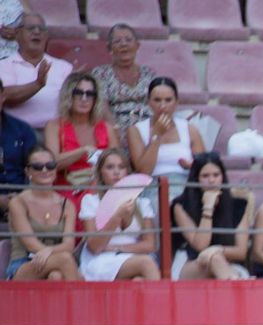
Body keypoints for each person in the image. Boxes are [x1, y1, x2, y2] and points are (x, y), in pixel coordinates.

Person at [171, 151, 255, 279]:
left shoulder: (237, 206)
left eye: (216, 175)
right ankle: (238, 288)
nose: (211, 180)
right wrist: (208, 208)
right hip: (190, 264)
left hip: (227, 263)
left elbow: (241, 252)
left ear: (223, 177)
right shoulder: (181, 205)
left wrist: (217, 250)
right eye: (205, 176)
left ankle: (233, 282)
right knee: (215, 259)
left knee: (216, 259)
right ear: (196, 178)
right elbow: (200, 245)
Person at [77, 147, 158, 281]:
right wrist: (116, 217)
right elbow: (95, 247)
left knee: (139, 280)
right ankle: (165, 302)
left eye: (121, 167)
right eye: (110, 167)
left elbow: (149, 245)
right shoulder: (91, 202)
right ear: (100, 172)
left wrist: (116, 248)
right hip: (100, 260)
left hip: (131, 257)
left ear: (127, 171)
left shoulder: (142, 203)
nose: (116, 172)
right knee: (146, 263)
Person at [44, 72, 119, 207]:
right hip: (66, 190)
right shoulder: (54, 126)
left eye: (90, 94)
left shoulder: (107, 128)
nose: (84, 99)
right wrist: (83, 151)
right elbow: (51, 163)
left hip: (100, 190)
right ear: (68, 95)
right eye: (78, 93)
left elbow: (118, 164)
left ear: (96, 99)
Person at [6, 144, 79, 279]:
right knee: (65, 259)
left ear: (56, 169)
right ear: (28, 172)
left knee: (56, 276)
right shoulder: (17, 202)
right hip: (23, 264)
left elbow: (69, 244)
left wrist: (49, 251)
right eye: (37, 167)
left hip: (56, 263)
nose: (45, 170)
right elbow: (30, 244)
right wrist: (52, 253)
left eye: (50, 165)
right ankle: (83, 300)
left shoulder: (67, 205)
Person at [126, 77, 204, 193]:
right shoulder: (136, 130)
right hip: (152, 186)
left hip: (185, 185)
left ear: (176, 102)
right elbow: (144, 172)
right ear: (149, 102)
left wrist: (191, 166)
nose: (162, 106)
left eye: (168, 100)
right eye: (157, 100)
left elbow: (205, 167)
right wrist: (156, 135)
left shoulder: (189, 129)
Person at [0, 12, 67, 130]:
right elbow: (4, 95)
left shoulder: (64, 67)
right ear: (17, 34)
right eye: (30, 28)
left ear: (47, 36)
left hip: (56, 133)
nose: (37, 32)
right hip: (16, 134)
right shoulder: (4, 66)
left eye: (41, 29)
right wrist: (37, 84)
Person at [89, 23, 153, 130]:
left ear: (137, 45)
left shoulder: (148, 73)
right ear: (109, 48)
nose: (124, 44)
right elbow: (102, 106)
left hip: (149, 126)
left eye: (128, 40)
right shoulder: (101, 74)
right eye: (117, 41)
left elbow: (157, 103)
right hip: (117, 127)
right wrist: (114, 129)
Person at [0, 72, 38, 214]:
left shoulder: (22, 129)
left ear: (3, 97)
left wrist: (23, 197)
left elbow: (35, 167)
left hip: (21, 197)